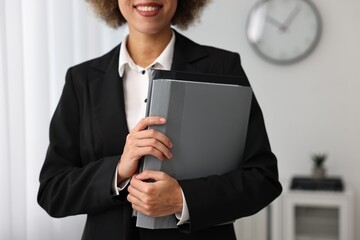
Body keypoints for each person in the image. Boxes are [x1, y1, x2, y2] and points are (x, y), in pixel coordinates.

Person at [37, 0, 282, 239]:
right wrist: (118, 171)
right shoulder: (82, 80)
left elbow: (262, 178)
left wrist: (182, 198)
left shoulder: (221, 68)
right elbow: (53, 191)